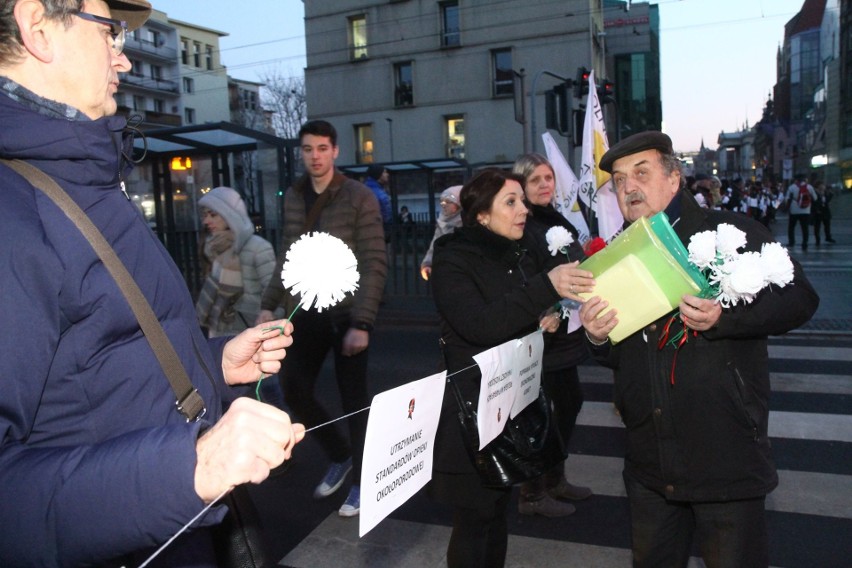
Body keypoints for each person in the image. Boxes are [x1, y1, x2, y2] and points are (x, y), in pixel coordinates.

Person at [0, 1, 304, 565]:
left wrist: (212, 363)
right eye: (109, 31)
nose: (126, 59)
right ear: (37, 29)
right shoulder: (13, 208)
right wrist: (192, 468)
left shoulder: (84, 177)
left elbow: (98, 366)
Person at [580, 131, 819, 568]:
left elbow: (801, 298)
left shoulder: (727, 232)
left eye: (641, 172)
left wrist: (724, 319)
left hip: (723, 457)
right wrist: (596, 336)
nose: (628, 186)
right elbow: (620, 354)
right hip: (650, 463)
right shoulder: (615, 256)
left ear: (674, 178)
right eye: (617, 179)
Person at [429, 168, 594, 567]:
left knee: (495, 514)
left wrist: (545, 326)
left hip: (507, 410)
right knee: (474, 521)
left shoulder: (513, 255)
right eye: (511, 202)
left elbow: (516, 326)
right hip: (472, 416)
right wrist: (545, 288)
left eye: (522, 200)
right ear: (482, 215)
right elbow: (479, 325)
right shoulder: (453, 259)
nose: (523, 209)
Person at [258, 119, 388, 517]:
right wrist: (269, 302)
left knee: (354, 402)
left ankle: (363, 484)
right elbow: (287, 253)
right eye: (307, 149)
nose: (314, 156)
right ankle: (339, 453)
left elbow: (374, 261)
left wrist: (362, 324)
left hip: (347, 312)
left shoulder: (357, 196)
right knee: (293, 388)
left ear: (335, 152)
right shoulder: (295, 196)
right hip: (308, 309)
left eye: (321, 148)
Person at [512, 153, 593, 517]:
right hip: (541, 331)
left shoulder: (555, 217)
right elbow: (523, 277)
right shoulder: (523, 224)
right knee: (537, 413)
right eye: (536, 180)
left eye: (548, 177)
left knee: (569, 403)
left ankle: (555, 478)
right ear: (523, 187)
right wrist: (549, 306)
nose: (546, 184)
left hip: (565, 329)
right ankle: (531, 492)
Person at [196, 186, 277, 337]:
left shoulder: (258, 248)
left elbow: (274, 294)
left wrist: (265, 322)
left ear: (230, 215)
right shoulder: (213, 248)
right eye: (205, 215)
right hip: (219, 333)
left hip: (250, 332)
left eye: (213, 215)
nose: (206, 221)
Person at [420, 185, 463, 281]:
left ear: (459, 204)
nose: (443, 204)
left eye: (448, 201)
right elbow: (434, 244)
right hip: (446, 268)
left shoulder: (468, 222)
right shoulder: (442, 221)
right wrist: (427, 263)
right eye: (442, 201)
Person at [785, 173, 817, 251]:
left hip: (794, 210)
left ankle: (791, 242)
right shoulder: (809, 187)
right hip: (806, 210)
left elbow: (786, 198)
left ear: (796, 180)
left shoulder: (792, 187)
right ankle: (804, 243)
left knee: (791, 227)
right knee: (805, 228)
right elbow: (815, 198)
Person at [811, 181, 835, 246]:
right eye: (821, 185)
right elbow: (814, 202)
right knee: (817, 226)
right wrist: (816, 209)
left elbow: (827, 200)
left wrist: (830, 193)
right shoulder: (815, 193)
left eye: (823, 185)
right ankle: (817, 240)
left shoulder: (825, 193)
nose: (823, 187)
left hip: (825, 211)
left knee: (827, 225)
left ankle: (828, 237)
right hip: (818, 211)